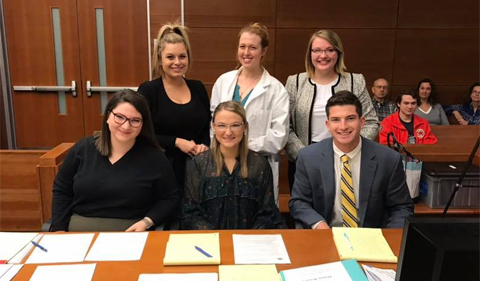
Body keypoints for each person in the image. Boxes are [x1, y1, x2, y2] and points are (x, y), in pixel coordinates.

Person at [51, 90, 180, 232]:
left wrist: (147, 222)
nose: (126, 126)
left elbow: (170, 198)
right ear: (108, 116)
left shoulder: (155, 158)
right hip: (80, 230)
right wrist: (59, 229)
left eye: (135, 120)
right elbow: (62, 190)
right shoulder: (83, 149)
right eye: (119, 117)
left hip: (130, 232)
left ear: (143, 124)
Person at [289, 91, 413, 229]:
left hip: (370, 237)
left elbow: (401, 207)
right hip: (326, 234)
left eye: (350, 118)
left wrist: (390, 238)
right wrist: (319, 225)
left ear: (362, 122)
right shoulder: (308, 157)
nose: (343, 126)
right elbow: (299, 202)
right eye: (336, 120)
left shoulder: (388, 159)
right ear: (328, 124)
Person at [285, 29, 379, 191]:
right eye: (317, 50)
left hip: (348, 161)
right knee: (305, 212)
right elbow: (285, 125)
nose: (323, 55)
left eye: (330, 50)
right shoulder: (295, 82)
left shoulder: (354, 81)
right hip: (304, 161)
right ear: (310, 54)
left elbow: (371, 122)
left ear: (338, 53)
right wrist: (303, 155)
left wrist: (349, 151)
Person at [210, 23, 289, 205]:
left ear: (263, 51)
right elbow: (213, 122)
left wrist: (241, 146)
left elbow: (279, 137)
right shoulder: (224, 81)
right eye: (242, 46)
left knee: (256, 216)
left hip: (258, 165)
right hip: (223, 163)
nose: (246, 52)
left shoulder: (276, 89)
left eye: (253, 47)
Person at [181, 101, 285, 230]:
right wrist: (215, 237)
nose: (228, 132)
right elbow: (190, 212)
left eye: (235, 125)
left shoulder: (259, 164)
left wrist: (249, 238)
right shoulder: (199, 163)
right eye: (221, 125)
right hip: (209, 242)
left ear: (245, 127)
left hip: (249, 242)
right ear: (213, 127)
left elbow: (267, 212)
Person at [138, 23, 210, 190]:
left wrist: (203, 146)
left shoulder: (198, 87)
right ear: (160, 59)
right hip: (160, 168)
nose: (177, 62)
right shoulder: (148, 90)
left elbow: (207, 125)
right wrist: (177, 142)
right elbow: (141, 133)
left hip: (197, 169)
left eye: (182, 56)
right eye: (170, 57)